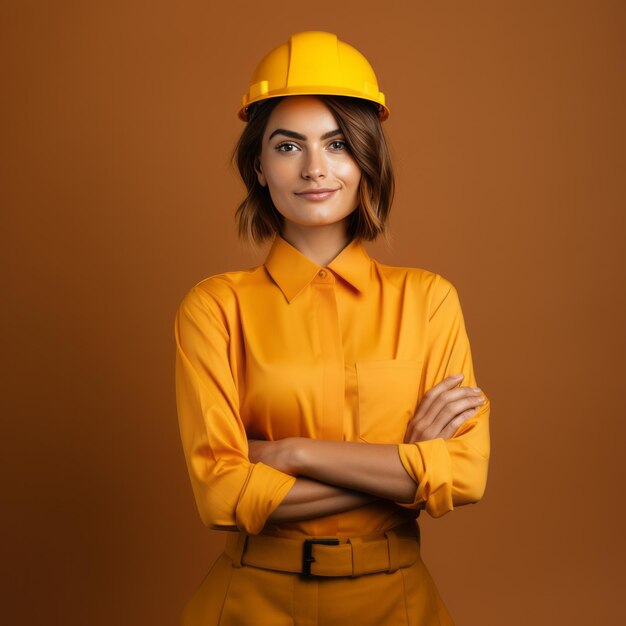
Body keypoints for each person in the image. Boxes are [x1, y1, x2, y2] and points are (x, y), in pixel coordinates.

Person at [174, 30, 491, 626]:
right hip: (249, 602)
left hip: (398, 604)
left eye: (338, 143)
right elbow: (219, 496)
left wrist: (290, 454)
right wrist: (409, 468)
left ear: (367, 159)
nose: (315, 168)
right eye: (288, 146)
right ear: (259, 167)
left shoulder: (428, 301)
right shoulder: (214, 307)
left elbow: (467, 473)